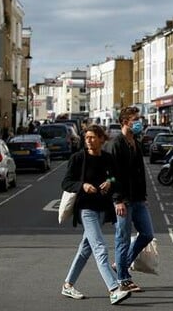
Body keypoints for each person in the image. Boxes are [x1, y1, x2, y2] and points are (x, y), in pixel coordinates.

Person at [61, 125, 131, 305]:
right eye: (86, 137)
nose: (89, 140)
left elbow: (117, 178)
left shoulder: (108, 158)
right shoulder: (78, 158)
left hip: (102, 209)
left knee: (85, 249)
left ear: (102, 139)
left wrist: (109, 182)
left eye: (93, 137)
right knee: (100, 247)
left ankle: (68, 285)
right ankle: (114, 289)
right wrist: (82, 185)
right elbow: (66, 182)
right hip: (86, 209)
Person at [105, 106, 154, 293]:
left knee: (147, 234)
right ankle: (123, 279)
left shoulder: (135, 142)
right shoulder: (116, 144)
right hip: (123, 200)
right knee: (122, 239)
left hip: (138, 199)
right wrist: (117, 200)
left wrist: (143, 196)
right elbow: (112, 175)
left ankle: (121, 264)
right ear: (125, 122)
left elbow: (140, 173)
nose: (139, 122)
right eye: (136, 119)